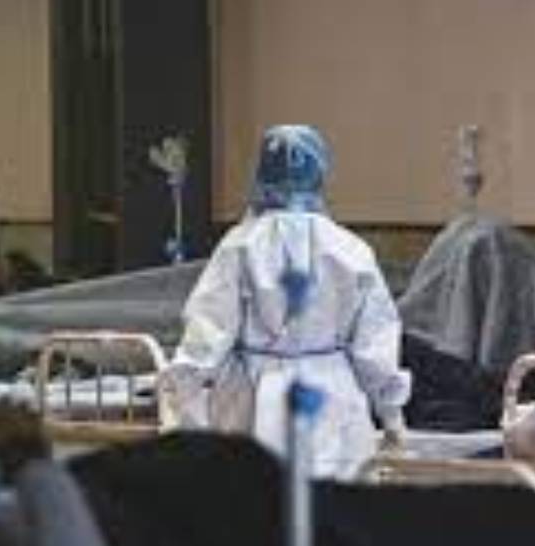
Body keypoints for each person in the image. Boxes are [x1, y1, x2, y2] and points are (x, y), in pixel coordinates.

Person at [161, 125, 412, 480]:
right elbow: (375, 343)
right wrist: (392, 416)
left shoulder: (239, 246)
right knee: (333, 502)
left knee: (255, 502)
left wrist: (185, 408)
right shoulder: (350, 250)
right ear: (320, 172)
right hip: (332, 396)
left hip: (252, 399)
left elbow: (206, 336)